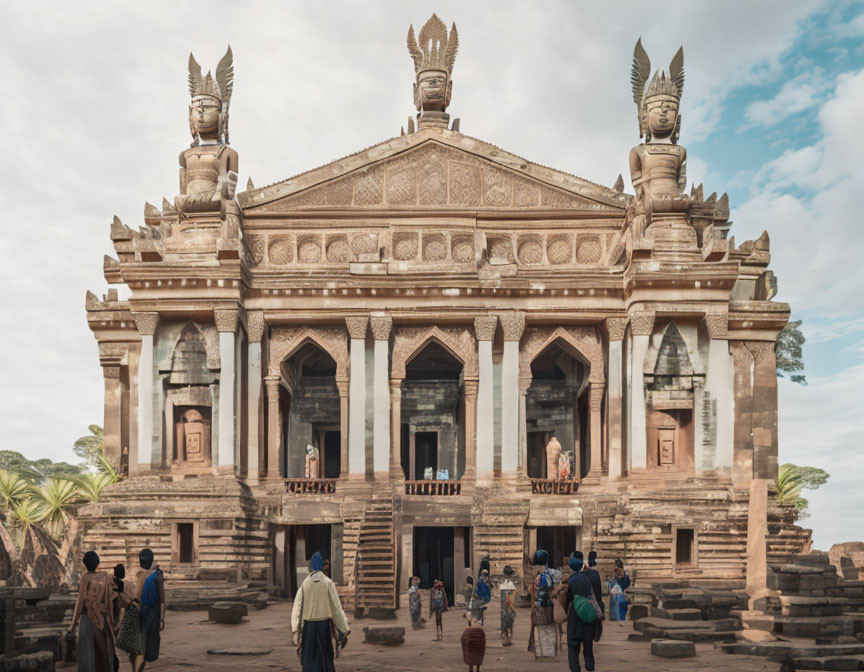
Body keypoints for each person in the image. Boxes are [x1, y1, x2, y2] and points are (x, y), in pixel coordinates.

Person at [291, 551, 350, 672]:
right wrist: (344, 628)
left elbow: (296, 608)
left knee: (309, 662)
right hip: (324, 628)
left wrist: (295, 630)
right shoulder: (328, 583)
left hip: (308, 628)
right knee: (325, 661)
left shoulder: (305, 584)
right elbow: (336, 609)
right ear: (322, 567)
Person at [70, 551, 116, 672]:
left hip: (88, 621)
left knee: (89, 656)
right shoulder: (106, 577)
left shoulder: (86, 578)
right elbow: (108, 603)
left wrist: (72, 624)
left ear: (85, 564)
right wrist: (111, 622)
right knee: (103, 656)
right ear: (97, 563)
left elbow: (79, 603)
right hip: (102, 621)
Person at [560, 554, 600, 672]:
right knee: (588, 644)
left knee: (573, 645)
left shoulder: (570, 580)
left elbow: (567, 598)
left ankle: (575, 668)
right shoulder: (587, 579)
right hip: (587, 611)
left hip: (574, 613)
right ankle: (590, 666)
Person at [134, 549, 164, 672]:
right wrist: (162, 619)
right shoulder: (157, 576)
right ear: (151, 561)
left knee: (139, 650)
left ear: (140, 561)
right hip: (153, 615)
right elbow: (162, 600)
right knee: (148, 648)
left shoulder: (138, 575)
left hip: (140, 614)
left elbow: (136, 597)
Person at [530, 549, 558, 659]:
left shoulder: (541, 576)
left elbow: (538, 593)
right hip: (549, 605)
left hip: (540, 606)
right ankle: (549, 651)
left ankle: (542, 652)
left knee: (540, 628)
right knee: (549, 628)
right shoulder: (551, 574)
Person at [608, 558, 631, 624]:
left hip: (619, 593)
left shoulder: (621, 573)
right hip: (618, 593)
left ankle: (618, 619)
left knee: (619, 606)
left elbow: (623, 583)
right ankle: (618, 619)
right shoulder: (619, 573)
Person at [499, 566, 517, 646]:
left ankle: (505, 639)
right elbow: (508, 599)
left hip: (503, 608)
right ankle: (506, 639)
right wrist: (512, 609)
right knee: (509, 623)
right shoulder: (509, 584)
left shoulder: (503, 583)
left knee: (504, 623)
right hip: (508, 608)